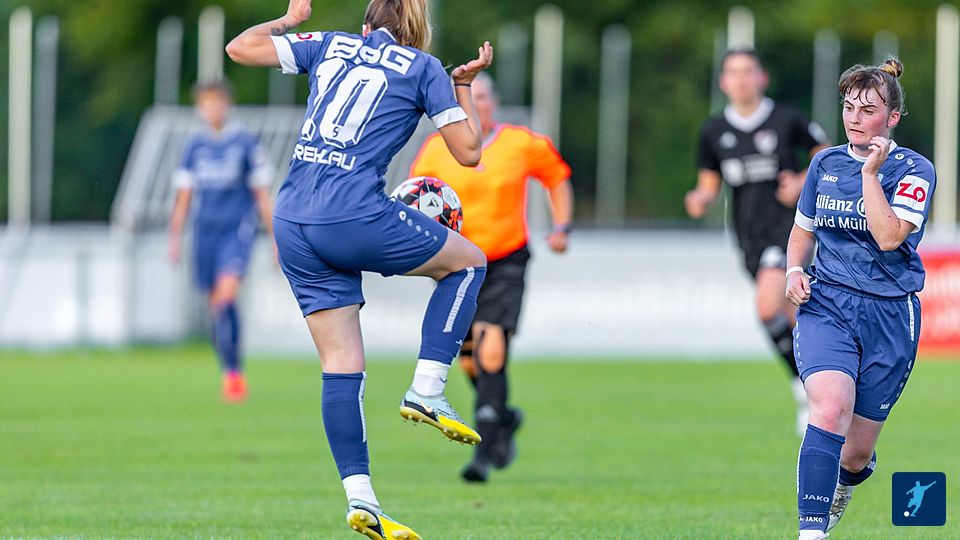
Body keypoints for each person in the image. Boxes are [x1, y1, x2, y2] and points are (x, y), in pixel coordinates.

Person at [226, 0, 492, 537]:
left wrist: (290, 21)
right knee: (468, 263)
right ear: (416, 32)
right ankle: (427, 387)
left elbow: (239, 48)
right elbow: (468, 152)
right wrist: (461, 86)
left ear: (366, 27)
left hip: (292, 218)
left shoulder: (330, 44)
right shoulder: (423, 67)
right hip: (350, 214)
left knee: (341, 363)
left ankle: (361, 499)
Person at [786, 58, 935, 540]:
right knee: (829, 408)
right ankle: (811, 532)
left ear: (892, 117)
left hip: (890, 316)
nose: (854, 118)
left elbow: (890, 237)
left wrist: (871, 174)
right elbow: (802, 230)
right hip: (827, 304)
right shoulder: (824, 163)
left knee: (854, 454)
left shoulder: (914, 170)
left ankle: (846, 481)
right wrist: (793, 270)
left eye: (867, 110)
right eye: (849, 107)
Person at [409, 72, 573, 483]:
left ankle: (484, 451)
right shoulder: (437, 148)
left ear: (493, 103)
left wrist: (562, 227)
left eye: (481, 97)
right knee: (469, 359)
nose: (475, 104)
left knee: (491, 351)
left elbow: (557, 178)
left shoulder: (520, 143)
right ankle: (503, 417)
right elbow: (416, 197)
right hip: (456, 264)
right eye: (469, 98)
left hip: (505, 261)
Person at [686, 49, 829, 435]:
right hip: (747, 236)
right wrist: (700, 198)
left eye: (748, 71)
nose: (741, 79)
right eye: (733, 73)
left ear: (762, 77)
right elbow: (709, 182)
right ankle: (823, 386)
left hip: (789, 230)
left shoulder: (786, 118)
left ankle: (804, 388)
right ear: (723, 82)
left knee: (767, 308)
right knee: (796, 318)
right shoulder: (714, 130)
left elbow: (825, 154)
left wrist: (801, 182)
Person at [169, 80, 274, 402]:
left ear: (227, 104)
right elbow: (184, 196)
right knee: (216, 307)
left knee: (227, 298)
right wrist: (174, 237)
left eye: (217, 102)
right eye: (206, 103)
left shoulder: (245, 143)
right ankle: (230, 368)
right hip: (204, 233)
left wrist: (276, 238)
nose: (212, 109)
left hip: (235, 230)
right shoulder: (195, 147)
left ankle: (234, 374)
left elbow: (262, 194)